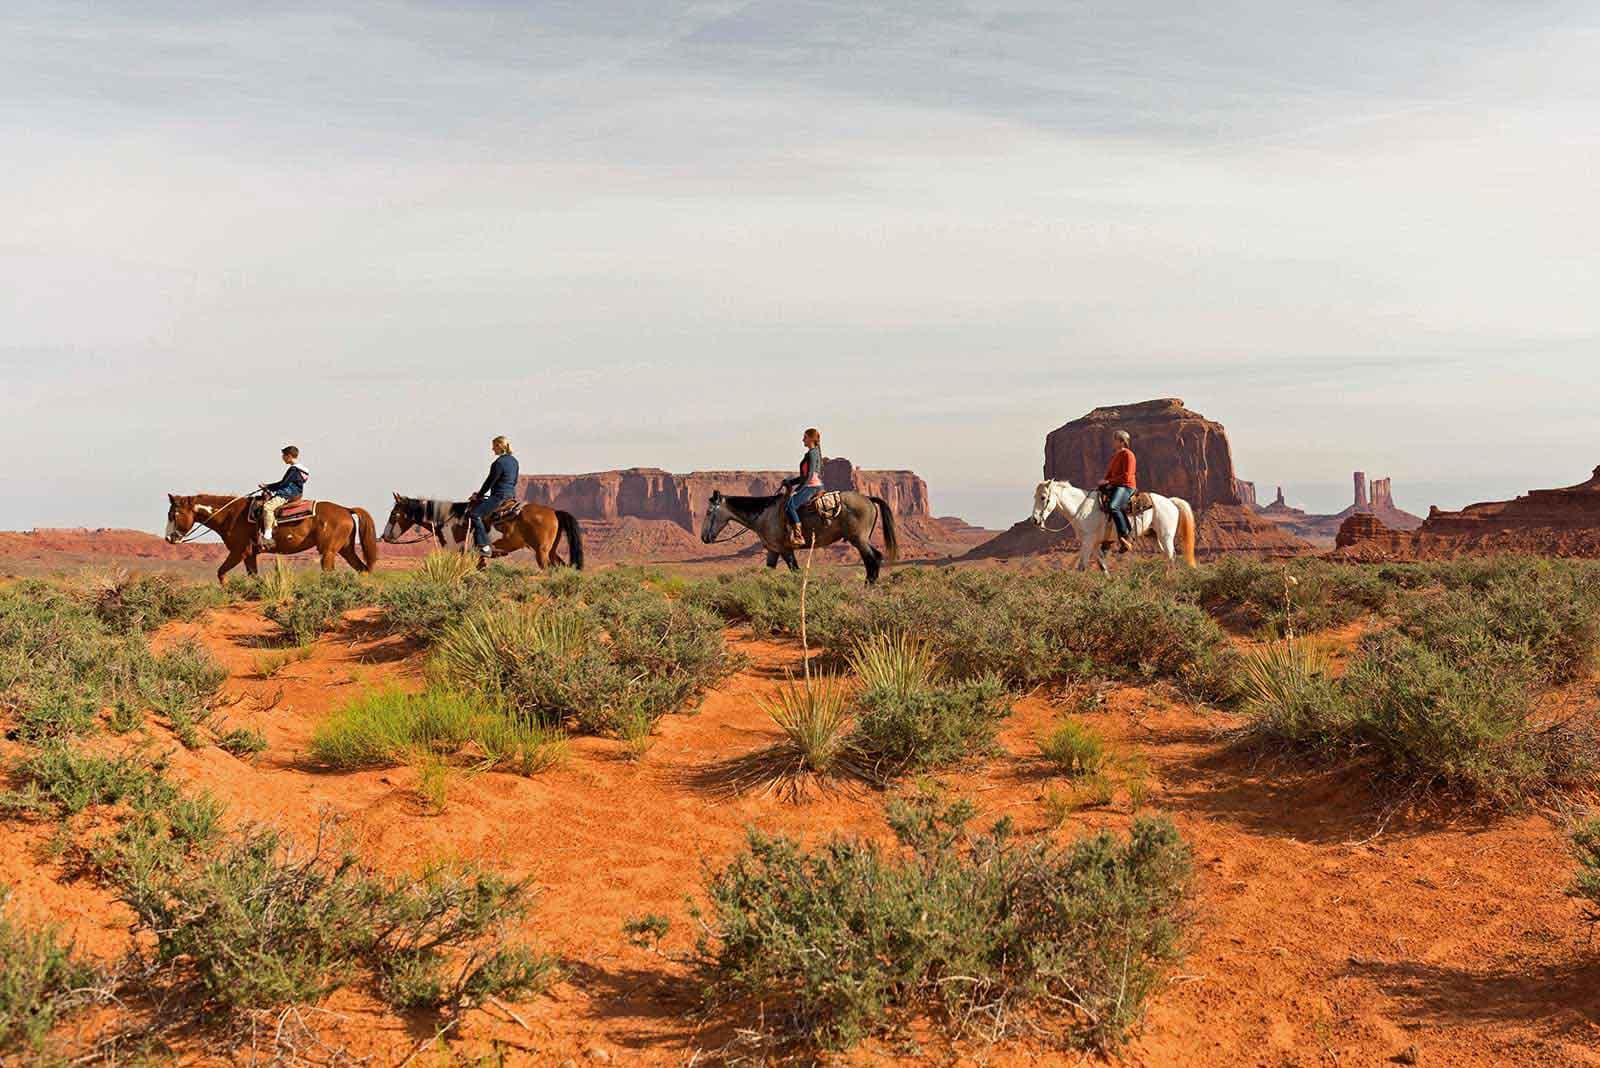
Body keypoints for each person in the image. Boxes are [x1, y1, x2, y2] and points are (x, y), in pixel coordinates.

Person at [469, 435, 520, 556]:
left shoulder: (498, 463)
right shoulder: (514, 461)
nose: (492, 449)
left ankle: (485, 546)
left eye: (494, 446)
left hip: (499, 497)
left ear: (499, 446)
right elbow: (515, 481)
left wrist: (479, 495)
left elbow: (489, 482)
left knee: (474, 514)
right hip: (511, 496)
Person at [256, 445, 308, 551]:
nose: (282, 458)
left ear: (289, 456)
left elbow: (283, 484)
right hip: (296, 493)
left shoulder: (294, 469)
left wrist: (267, 486)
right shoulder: (303, 469)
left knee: (267, 507)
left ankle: (268, 535)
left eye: (283, 456)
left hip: (287, 494)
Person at [781, 427, 825, 548]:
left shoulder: (812, 454)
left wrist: (797, 490)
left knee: (790, 505)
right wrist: (790, 482)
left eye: (805, 437)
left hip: (812, 487)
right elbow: (805, 476)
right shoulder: (814, 452)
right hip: (812, 485)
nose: (802, 440)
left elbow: (809, 475)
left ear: (811, 439)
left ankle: (798, 536)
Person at [1099, 429, 1137, 553]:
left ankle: (1126, 537)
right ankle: (1107, 538)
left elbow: (1127, 475)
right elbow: (1109, 474)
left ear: (1122, 441)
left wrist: (1109, 482)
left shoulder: (1128, 455)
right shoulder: (1115, 456)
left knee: (1113, 506)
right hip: (1116, 485)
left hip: (1126, 486)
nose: (1112, 442)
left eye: (1115, 440)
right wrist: (1103, 481)